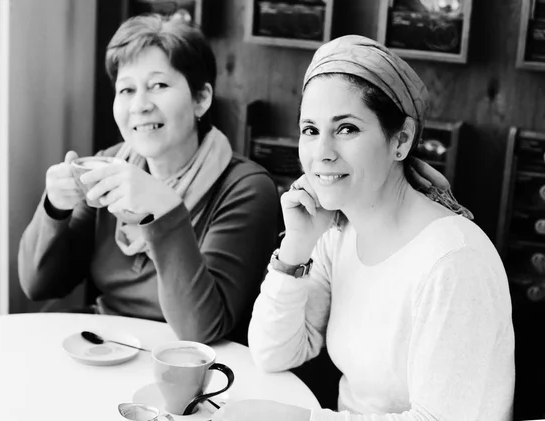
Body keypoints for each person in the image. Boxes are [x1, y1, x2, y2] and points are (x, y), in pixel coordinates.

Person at [213, 35, 514, 420]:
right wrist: (295, 250)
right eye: (310, 130)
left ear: (401, 139)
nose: (322, 151)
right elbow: (273, 353)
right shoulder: (337, 233)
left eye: (347, 129)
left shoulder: (455, 261)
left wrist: (304, 419)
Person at [18, 15, 280, 345]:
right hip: (106, 349)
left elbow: (203, 328)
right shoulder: (110, 165)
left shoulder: (246, 188)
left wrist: (164, 212)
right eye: (127, 89)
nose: (140, 105)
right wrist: (54, 209)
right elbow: (39, 286)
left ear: (201, 99)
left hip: (193, 368)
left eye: (159, 85)